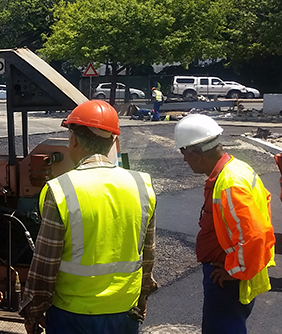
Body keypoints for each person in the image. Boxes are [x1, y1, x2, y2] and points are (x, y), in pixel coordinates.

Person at [20, 100, 158, 334]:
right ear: (112, 141)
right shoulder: (141, 185)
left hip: (73, 313)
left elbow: (45, 262)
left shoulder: (61, 189)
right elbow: (148, 254)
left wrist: (34, 310)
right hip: (124, 309)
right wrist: (143, 297)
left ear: (73, 140)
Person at [174, 114, 275, 334]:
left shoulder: (230, 184)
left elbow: (255, 234)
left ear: (196, 156)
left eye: (184, 155)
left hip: (227, 278)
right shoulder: (238, 168)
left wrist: (236, 271)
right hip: (232, 270)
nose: (184, 161)